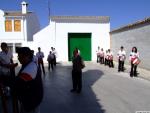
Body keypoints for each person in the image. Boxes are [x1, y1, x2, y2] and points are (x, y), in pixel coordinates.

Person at [14, 47, 43, 113]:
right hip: (29, 99)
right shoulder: (27, 64)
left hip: (31, 101)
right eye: (18, 56)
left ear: (28, 56)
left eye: (21, 57)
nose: (19, 58)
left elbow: (18, 83)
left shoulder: (30, 68)